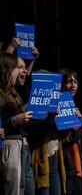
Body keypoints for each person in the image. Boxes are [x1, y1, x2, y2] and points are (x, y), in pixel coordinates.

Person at [0, 52, 35, 195]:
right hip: (11, 147)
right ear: (7, 70)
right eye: (17, 67)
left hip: (22, 146)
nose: (21, 71)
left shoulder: (11, 92)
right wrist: (14, 121)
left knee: (27, 190)